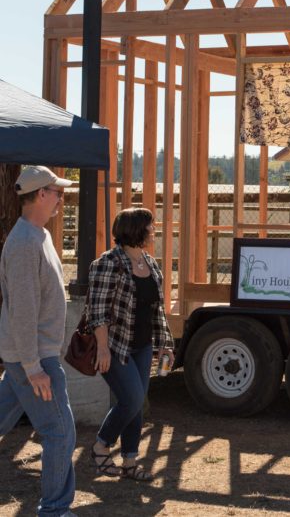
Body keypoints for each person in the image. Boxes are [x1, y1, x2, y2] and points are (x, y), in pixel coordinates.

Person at [0, 166, 77, 516]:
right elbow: (23, 311)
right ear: (41, 195)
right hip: (34, 360)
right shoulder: (24, 243)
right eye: (57, 191)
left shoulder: (38, 236)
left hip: (30, 357)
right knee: (59, 432)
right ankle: (55, 510)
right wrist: (33, 367)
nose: (61, 197)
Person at [86, 207, 174, 481]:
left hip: (144, 345)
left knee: (136, 404)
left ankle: (130, 462)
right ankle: (101, 446)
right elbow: (96, 311)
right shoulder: (107, 263)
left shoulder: (150, 262)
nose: (154, 230)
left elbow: (155, 309)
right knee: (133, 398)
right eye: (151, 226)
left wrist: (165, 343)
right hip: (115, 346)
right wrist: (102, 348)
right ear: (136, 230)